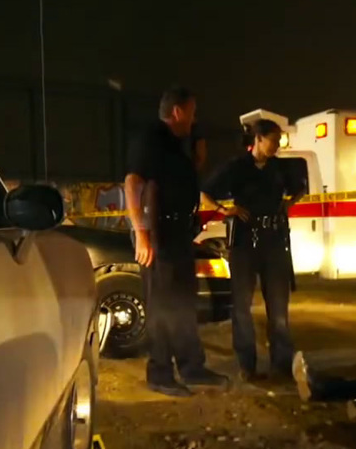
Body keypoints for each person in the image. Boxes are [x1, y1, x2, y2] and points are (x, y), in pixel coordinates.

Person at [124, 86, 230, 397]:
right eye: (192, 112)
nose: (194, 118)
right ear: (177, 112)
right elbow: (133, 183)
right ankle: (159, 373)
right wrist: (142, 234)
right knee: (162, 306)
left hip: (179, 235)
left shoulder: (175, 145)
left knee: (184, 302)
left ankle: (191, 366)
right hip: (159, 235)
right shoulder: (152, 139)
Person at [201, 119, 307, 381]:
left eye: (279, 140)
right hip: (244, 243)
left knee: (279, 307)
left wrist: (288, 203)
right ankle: (247, 364)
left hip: (273, 241)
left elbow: (300, 189)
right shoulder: (236, 167)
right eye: (273, 139)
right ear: (258, 139)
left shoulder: (280, 167)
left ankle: (281, 363)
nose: (277, 145)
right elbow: (205, 191)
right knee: (241, 307)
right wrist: (226, 210)